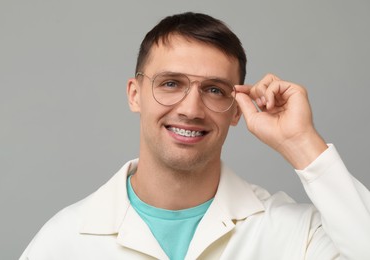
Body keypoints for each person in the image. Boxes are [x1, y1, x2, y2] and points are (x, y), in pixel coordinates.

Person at [20, 12, 370, 260]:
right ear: (134, 94)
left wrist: (301, 143)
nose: (191, 109)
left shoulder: (295, 234)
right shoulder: (64, 240)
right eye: (171, 84)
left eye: (214, 90)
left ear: (236, 110)